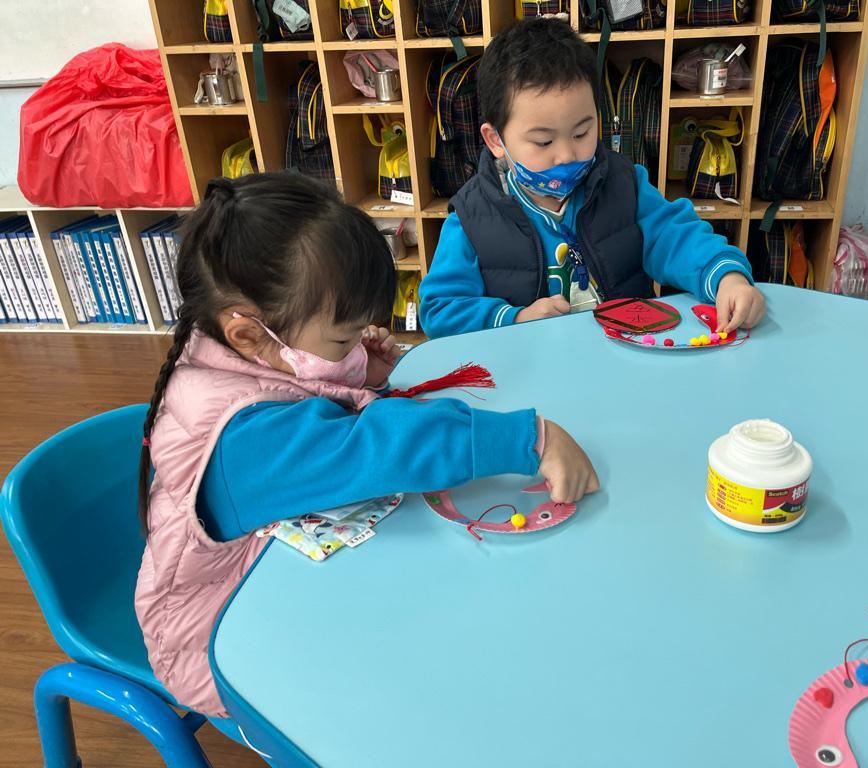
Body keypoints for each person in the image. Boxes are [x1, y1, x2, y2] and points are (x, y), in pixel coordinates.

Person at [134, 172, 598, 721]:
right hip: (223, 642)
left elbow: (303, 404)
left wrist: (361, 377)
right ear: (248, 334)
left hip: (276, 582)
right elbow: (375, 446)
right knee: (417, 683)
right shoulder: (243, 442)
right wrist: (528, 438)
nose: (357, 345)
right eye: (342, 338)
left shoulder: (237, 351)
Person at [418, 18, 766, 339]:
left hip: (625, 356)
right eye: (543, 142)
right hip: (533, 370)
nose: (566, 155)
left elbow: (675, 236)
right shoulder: (471, 217)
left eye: (582, 132)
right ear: (496, 140)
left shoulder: (624, 184)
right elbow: (440, 310)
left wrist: (726, 277)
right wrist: (514, 318)